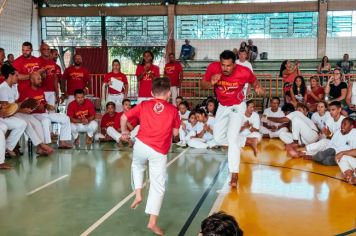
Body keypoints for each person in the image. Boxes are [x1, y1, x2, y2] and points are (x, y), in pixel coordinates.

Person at [120, 77, 180, 235]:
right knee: (157, 186)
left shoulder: (144, 104)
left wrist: (124, 132)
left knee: (137, 166)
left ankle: (138, 193)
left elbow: (124, 117)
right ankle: (152, 222)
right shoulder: (174, 110)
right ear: (168, 94)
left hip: (140, 145)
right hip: (158, 151)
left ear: (152, 92)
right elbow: (175, 134)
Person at [201, 50, 264, 187]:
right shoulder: (213, 67)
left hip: (237, 105)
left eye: (229, 66)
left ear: (234, 64)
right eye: (223, 65)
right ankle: (248, 140)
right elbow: (203, 84)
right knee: (217, 138)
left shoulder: (244, 71)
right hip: (222, 106)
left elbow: (254, 81)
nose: (225, 69)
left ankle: (234, 174)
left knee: (232, 138)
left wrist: (258, 87)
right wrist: (211, 82)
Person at [0, 64, 52, 156]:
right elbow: (6, 110)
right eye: (16, 75)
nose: (18, 78)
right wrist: (22, 109)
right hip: (7, 115)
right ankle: (41, 145)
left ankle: (40, 147)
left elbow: (15, 104)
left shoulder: (13, 87)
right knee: (25, 123)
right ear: (10, 75)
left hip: (15, 112)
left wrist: (24, 104)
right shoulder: (3, 88)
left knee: (36, 122)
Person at [18, 72, 72, 149]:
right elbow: (22, 107)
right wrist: (35, 107)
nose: (41, 80)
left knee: (65, 118)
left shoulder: (40, 90)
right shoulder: (25, 91)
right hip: (33, 115)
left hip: (43, 113)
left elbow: (44, 103)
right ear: (32, 80)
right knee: (45, 120)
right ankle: (46, 144)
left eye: (40, 79)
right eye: (38, 79)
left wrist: (47, 106)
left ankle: (62, 142)